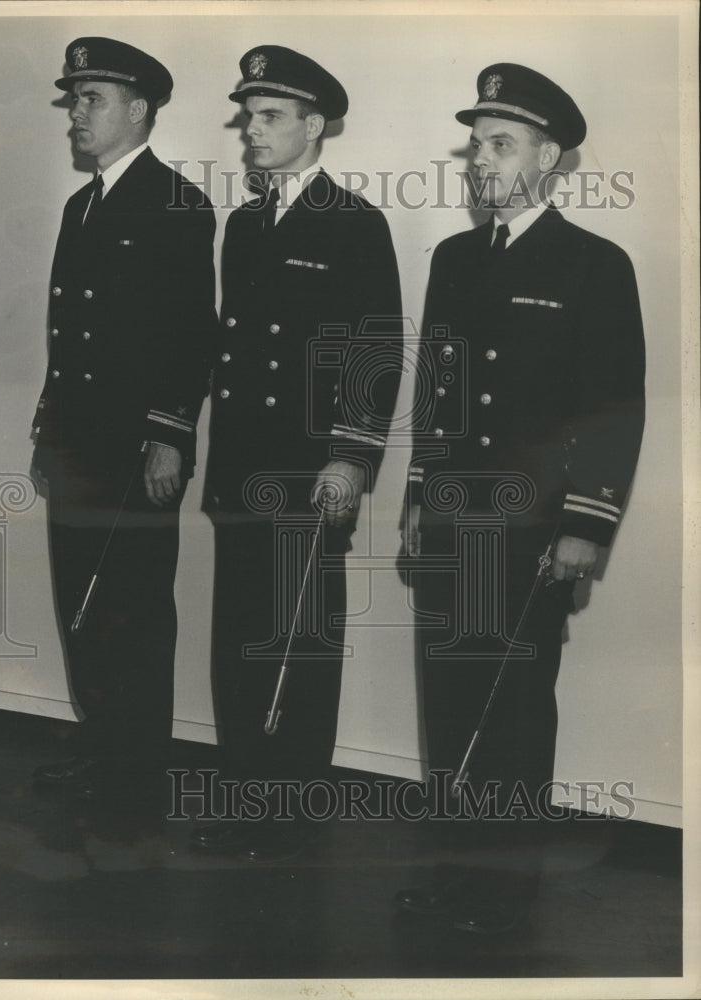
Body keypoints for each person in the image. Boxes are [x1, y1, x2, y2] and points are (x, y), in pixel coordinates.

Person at [396, 63, 645, 933]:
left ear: (550, 158)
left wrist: (587, 523)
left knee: (512, 704)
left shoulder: (593, 265)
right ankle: (455, 869)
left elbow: (615, 407)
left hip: (533, 528)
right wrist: (421, 493)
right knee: (450, 699)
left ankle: (504, 890)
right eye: (476, 144)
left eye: (501, 144)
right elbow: (438, 393)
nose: (481, 160)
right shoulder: (456, 260)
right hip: (454, 520)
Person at [193, 45, 402, 861]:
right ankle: (248, 794)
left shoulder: (355, 223)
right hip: (243, 466)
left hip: (311, 470)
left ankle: (291, 810)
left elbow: (375, 350)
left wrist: (352, 457)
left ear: (314, 127)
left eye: (270, 117)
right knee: (238, 638)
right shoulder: (245, 224)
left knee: (300, 642)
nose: (253, 131)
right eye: (249, 117)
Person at [30, 37, 217, 799]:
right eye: (74, 98)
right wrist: (48, 425)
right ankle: (101, 742)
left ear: (137, 110)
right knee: (80, 596)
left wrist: (171, 434)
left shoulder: (177, 203)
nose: (76, 112)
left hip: (137, 446)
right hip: (77, 441)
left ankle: (138, 764)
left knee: (134, 605)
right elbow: (67, 327)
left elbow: (192, 332)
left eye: (91, 98)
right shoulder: (82, 205)